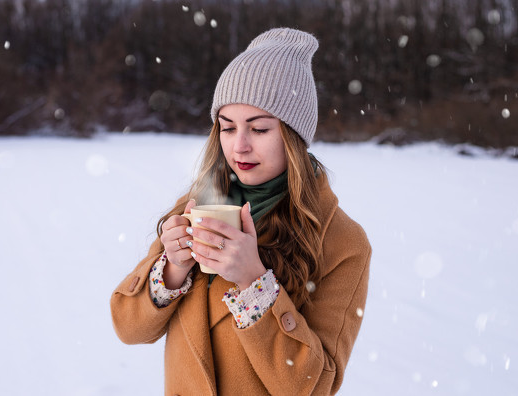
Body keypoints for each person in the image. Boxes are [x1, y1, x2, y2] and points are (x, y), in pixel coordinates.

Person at [110, 27, 371, 395]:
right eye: (227, 128)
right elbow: (128, 327)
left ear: (294, 137)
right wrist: (172, 269)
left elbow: (314, 387)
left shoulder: (343, 242)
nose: (240, 146)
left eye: (260, 129)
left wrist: (254, 282)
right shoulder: (197, 204)